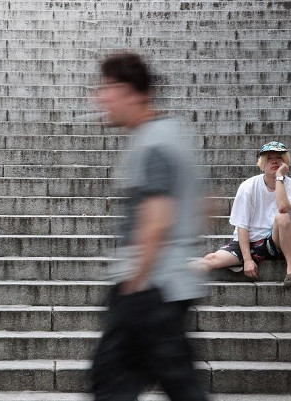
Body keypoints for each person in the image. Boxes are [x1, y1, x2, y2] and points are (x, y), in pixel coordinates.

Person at [90, 52, 208, 401]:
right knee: (173, 385)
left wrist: (135, 285)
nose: (100, 98)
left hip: (150, 287)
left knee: (111, 381)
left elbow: (157, 219)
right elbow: (207, 204)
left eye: (108, 88)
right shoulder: (175, 133)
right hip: (167, 284)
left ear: (134, 93)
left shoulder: (152, 142)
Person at [191, 141, 291, 287]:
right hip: (249, 242)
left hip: (277, 241)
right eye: (269, 158)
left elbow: (283, 207)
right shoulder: (248, 186)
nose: (274, 161)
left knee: (282, 217)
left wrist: (279, 178)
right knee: (211, 259)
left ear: (286, 163)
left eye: (279, 158)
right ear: (262, 164)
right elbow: (242, 225)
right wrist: (247, 260)